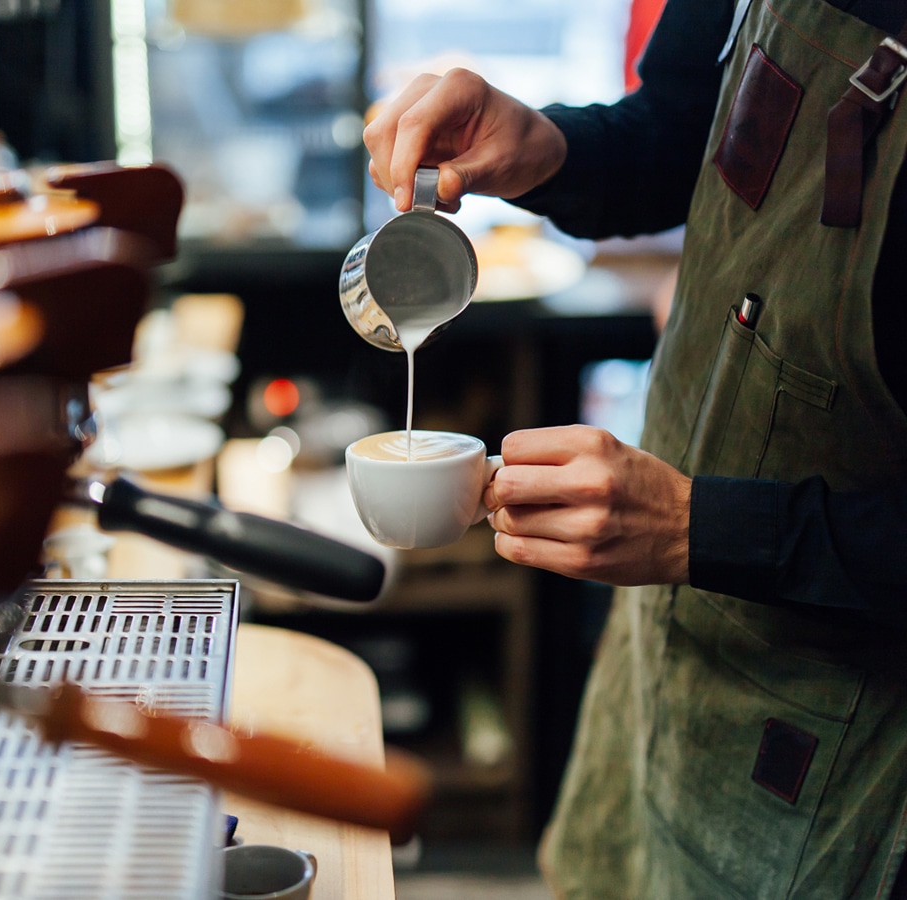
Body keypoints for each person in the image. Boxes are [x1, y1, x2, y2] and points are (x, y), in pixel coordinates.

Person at [364, 0, 907, 896]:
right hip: (668, 633)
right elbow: (677, 129)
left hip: (856, 742)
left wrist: (709, 528)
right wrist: (547, 145)